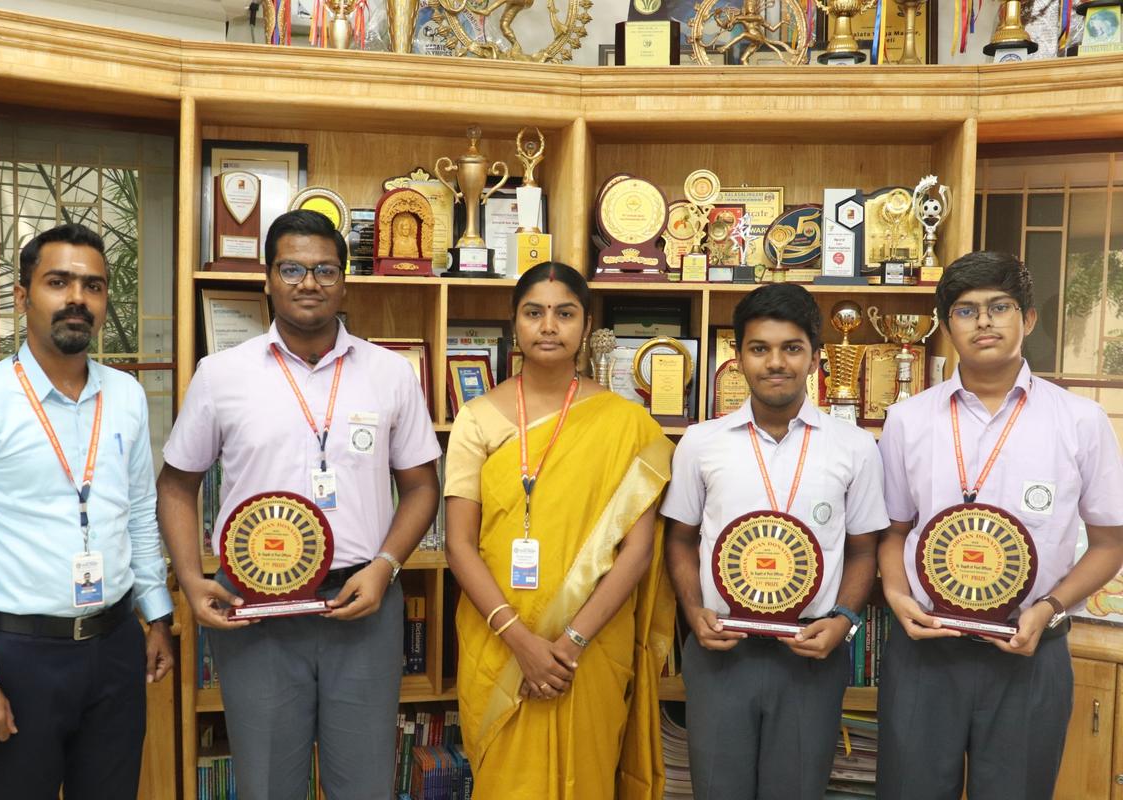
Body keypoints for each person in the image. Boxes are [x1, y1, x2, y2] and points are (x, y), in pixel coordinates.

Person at [157, 209, 441, 800]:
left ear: (345, 282)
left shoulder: (390, 373)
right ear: (267, 279)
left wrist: (385, 566)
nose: (308, 283)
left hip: (361, 604)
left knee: (364, 785)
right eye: (292, 268)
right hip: (255, 613)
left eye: (324, 270)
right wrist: (188, 576)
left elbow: (421, 487)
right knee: (265, 786)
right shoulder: (220, 375)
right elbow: (176, 485)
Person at [0, 222, 175, 799]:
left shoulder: (127, 396)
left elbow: (138, 512)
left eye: (93, 286)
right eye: (58, 282)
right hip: (19, 657)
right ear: (23, 295)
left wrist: (156, 613)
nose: (77, 299)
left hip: (115, 649)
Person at [876, 252, 1123, 800]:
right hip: (926, 651)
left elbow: (1110, 543)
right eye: (965, 310)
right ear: (946, 326)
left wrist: (1050, 606)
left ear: (1028, 319)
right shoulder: (907, 420)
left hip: (1029, 649)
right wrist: (896, 594)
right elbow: (892, 532)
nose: (983, 321)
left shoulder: (1079, 421)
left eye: (999, 307)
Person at [444, 262, 674, 799]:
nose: (549, 326)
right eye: (534, 313)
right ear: (514, 323)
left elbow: (637, 551)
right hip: (499, 639)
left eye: (564, 313)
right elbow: (458, 544)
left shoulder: (627, 423)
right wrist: (520, 641)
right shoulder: (476, 419)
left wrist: (570, 642)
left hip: (591, 644)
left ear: (586, 326)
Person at [662, 283, 889, 800]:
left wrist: (845, 621)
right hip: (722, 649)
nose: (775, 362)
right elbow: (680, 539)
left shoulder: (854, 446)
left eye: (791, 347)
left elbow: (863, 550)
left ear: (815, 358)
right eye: (759, 348)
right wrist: (693, 611)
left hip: (810, 652)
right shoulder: (701, 442)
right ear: (738, 356)